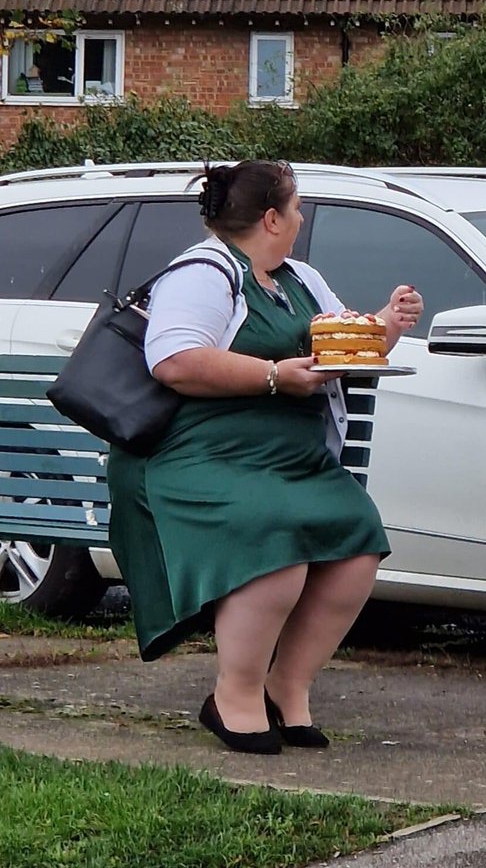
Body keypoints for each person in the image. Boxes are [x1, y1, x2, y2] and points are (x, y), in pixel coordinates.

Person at [106, 160, 424, 755]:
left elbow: (344, 345)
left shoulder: (299, 277)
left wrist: (388, 322)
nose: (302, 219)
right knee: (273, 541)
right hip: (197, 455)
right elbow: (173, 360)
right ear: (272, 217)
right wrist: (275, 375)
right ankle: (235, 694)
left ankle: (286, 688)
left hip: (290, 460)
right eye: (297, 208)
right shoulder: (202, 273)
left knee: (357, 536)